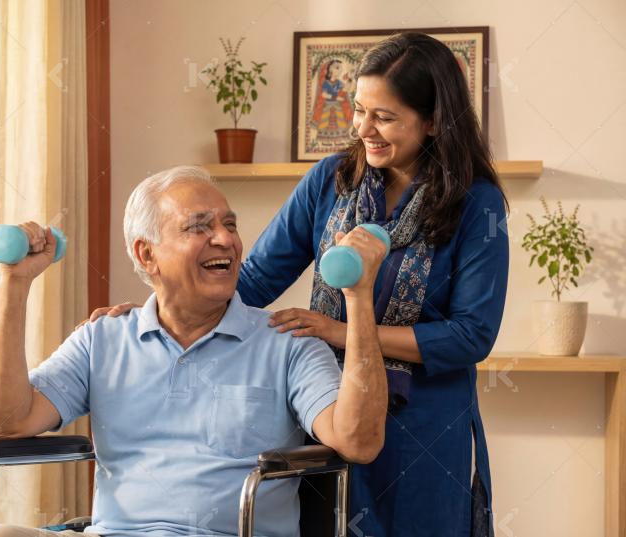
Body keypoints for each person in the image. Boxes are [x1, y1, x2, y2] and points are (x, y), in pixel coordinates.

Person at [89, 32, 508, 537]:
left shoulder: (475, 203)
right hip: (327, 408)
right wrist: (161, 308)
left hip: (423, 428)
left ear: (436, 120)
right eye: (358, 110)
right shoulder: (330, 180)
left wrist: (342, 331)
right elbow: (255, 278)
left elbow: (470, 336)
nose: (364, 129)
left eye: (385, 117)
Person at [0, 165, 389, 537]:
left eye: (229, 224)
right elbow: (6, 423)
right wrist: (14, 284)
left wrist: (359, 297)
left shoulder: (287, 342)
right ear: (146, 254)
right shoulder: (102, 338)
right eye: (199, 227)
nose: (225, 239)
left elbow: (359, 442)